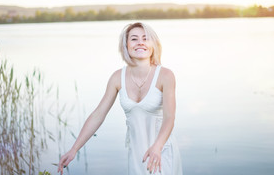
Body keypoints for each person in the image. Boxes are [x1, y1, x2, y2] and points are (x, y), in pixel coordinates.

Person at [58, 22, 183, 175]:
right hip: (136, 154)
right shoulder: (117, 78)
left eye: (145, 38)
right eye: (134, 39)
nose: (140, 43)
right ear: (126, 45)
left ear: (153, 44)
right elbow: (98, 115)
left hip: (162, 151)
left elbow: (169, 118)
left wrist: (157, 146)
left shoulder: (165, 75)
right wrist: (74, 149)